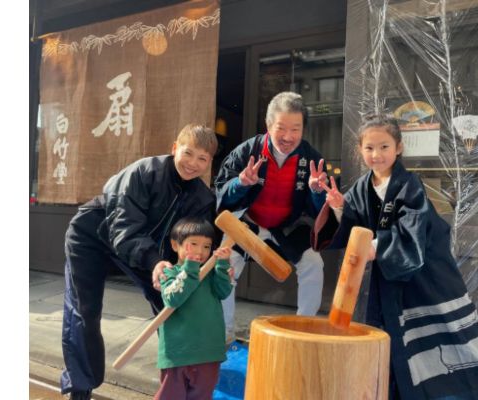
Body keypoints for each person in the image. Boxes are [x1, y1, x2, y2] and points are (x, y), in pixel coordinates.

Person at [313, 115, 478, 400]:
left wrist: (375, 247)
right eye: (369, 148)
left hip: (423, 280)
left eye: (384, 147)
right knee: (391, 346)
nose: (376, 155)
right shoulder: (362, 187)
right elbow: (351, 228)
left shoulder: (410, 185)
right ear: (360, 150)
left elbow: (413, 233)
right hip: (386, 281)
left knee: (446, 347)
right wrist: (340, 207)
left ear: (398, 148)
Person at [61, 124, 218, 400]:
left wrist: (178, 272)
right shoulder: (144, 172)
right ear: (174, 149)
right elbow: (124, 230)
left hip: (148, 251)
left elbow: (190, 241)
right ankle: (80, 388)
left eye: (202, 158)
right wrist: (156, 262)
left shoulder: (202, 198)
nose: (193, 163)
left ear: (209, 163)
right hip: (94, 237)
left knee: (175, 307)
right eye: (188, 153)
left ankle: (177, 384)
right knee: (84, 312)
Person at [214, 91, 328, 342]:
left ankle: (303, 330)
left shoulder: (312, 159)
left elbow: (321, 211)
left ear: (303, 129)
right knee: (223, 268)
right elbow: (221, 194)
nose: (288, 137)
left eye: (295, 129)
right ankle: (223, 334)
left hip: (285, 227)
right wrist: (241, 183)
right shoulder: (247, 151)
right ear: (268, 125)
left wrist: (317, 192)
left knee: (313, 263)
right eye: (281, 128)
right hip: (247, 224)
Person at [154, 218, 233, 400]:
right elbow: (173, 298)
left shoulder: (210, 273)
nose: (200, 251)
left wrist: (222, 266)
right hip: (178, 353)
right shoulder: (169, 273)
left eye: (207, 246)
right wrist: (190, 269)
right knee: (170, 396)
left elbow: (223, 291)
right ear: (175, 245)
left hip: (209, 351)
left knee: (202, 396)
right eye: (194, 244)